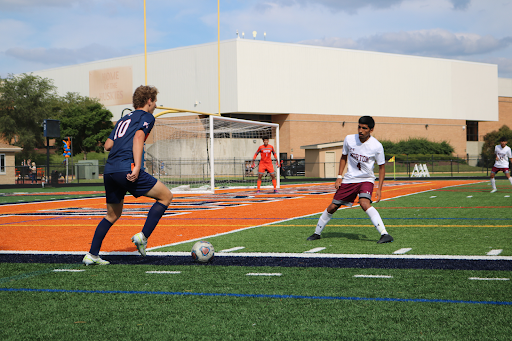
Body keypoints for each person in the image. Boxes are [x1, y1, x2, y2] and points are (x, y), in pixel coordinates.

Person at [83, 85, 173, 265]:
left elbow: (108, 145)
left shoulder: (123, 119)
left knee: (112, 215)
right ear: (149, 101)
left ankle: (92, 255)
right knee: (166, 196)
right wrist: (138, 166)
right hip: (126, 168)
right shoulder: (147, 116)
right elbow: (138, 137)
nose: (155, 105)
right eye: (155, 101)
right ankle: (143, 237)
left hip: (110, 170)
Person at [307, 116, 393, 244]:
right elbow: (343, 157)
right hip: (349, 180)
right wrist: (339, 177)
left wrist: (379, 189)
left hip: (366, 180)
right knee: (332, 207)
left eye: (364, 128)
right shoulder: (349, 139)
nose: (360, 130)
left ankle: (384, 234)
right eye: (359, 127)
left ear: (371, 129)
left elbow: (382, 168)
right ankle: (316, 233)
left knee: (364, 203)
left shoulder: (377, 146)